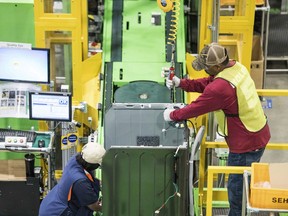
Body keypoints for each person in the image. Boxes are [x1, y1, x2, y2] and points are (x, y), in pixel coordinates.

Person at [164, 43, 271, 216]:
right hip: (258, 132)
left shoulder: (221, 88)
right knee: (244, 182)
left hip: (245, 144)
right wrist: (182, 83)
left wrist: (173, 115)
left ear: (216, 66)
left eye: (206, 67)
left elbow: (197, 107)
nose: (204, 70)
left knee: (237, 188)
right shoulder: (236, 67)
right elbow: (209, 84)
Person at [39, 142, 106, 216]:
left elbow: (88, 177)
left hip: (51, 203)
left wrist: (101, 183)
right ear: (91, 165)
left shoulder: (76, 159)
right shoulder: (80, 182)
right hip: (58, 212)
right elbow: (94, 206)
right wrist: (110, 206)